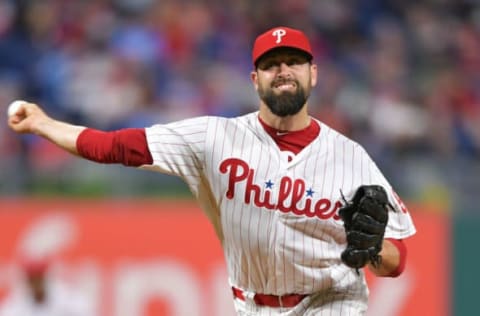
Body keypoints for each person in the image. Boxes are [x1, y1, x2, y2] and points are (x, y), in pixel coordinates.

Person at [7, 26, 416, 315]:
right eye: (272, 65)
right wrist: (43, 123)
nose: (284, 71)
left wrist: (375, 248)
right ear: (255, 79)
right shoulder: (213, 138)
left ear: (313, 74)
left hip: (334, 302)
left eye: (294, 62)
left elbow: (396, 263)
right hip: (252, 305)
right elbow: (114, 146)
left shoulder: (351, 157)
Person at [0, 256, 93, 316]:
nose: (36, 283)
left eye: (39, 277)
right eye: (32, 279)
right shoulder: (15, 304)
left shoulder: (68, 299)